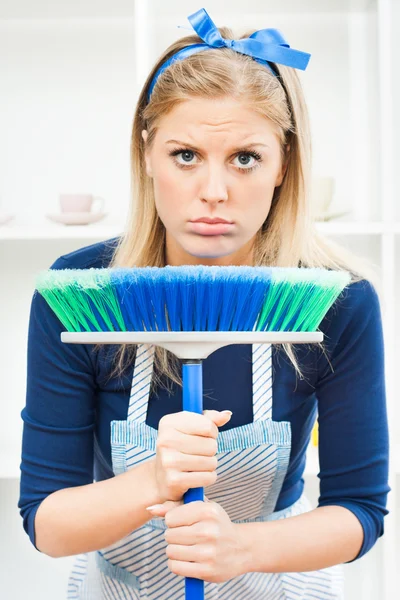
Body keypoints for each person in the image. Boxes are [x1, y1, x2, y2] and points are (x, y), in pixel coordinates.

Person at [18, 7, 389, 599]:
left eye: (245, 158)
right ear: (147, 153)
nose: (213, 194)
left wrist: (243, 548)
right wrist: (154, 480)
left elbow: (361, 511)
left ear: (282, 166)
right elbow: (48, 524)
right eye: (185, 155)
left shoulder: (334, 302)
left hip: (273, 583)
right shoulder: (81, 292)